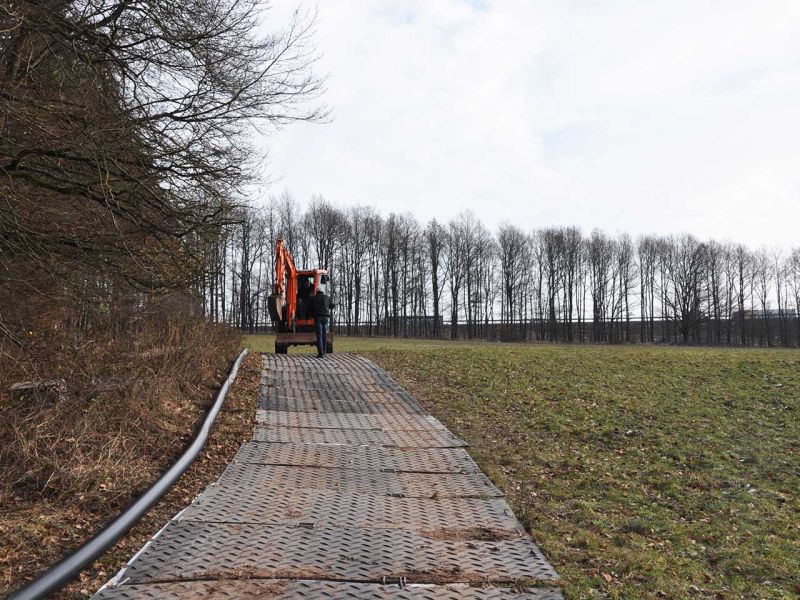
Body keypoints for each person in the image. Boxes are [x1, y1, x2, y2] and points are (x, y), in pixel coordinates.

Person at [312, 286, 334, 358]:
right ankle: (324, 352)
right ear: (322, 291)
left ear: (317, 291)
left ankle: (320, 353)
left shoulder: (314, 298)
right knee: (324, 335)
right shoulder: (327, 297)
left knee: (319, 336)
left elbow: (310, 308)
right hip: (325, 318)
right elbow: (332, 306)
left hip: (318, 318)